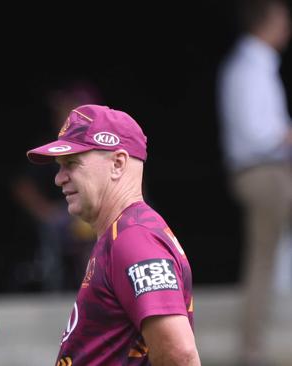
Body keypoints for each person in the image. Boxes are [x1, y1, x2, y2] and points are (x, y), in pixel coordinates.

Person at [26, 104, 199, 365]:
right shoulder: (125, 232)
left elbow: (179, 352)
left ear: (118, 163)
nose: (58, 178)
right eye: (59, 166)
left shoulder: (134, 239)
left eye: (71, 163)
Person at [217, 0, 292, 362]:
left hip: (271, 170)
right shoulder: (250, 66)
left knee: (266, 257)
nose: (287, 26)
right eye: (282, 18)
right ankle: (252, 352)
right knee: (262, 259)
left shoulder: (258, 64)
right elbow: (261, 133)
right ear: (266, 21)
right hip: (263, 173)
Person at [11, 81, 100, 291]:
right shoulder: (50, 144)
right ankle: (56, 287)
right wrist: (46, 213)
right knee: (58, 226)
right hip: (64, 217)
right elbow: (21, 185)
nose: (60, 177)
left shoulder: (103, 146)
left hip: (96, 214)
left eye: (68, 108)